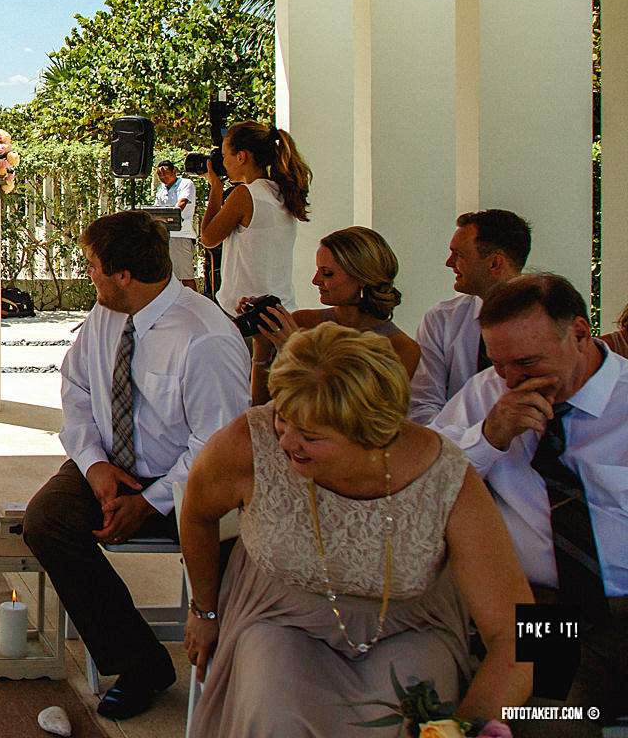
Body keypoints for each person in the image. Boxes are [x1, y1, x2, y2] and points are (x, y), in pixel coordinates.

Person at [183, 324, 531, 735]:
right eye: (283, 418)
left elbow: (523, 635)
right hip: (280, 616)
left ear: (372, 435)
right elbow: (197, 514)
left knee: (412, 722)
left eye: (310, 435)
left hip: (411, 626)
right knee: (276, 716)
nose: (285, 441)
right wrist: (203, 610)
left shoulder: (447, 476)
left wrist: (467, 729)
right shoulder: (248, 441)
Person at [25, 210, 249, 720]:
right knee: (48, 521)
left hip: (191, 483)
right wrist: (93, 464)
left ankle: (233, 665)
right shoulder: (105, 315)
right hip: (112, 463)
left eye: (92, 266)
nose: (87, 274)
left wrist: (150, 502)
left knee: (240, 550)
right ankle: (140, 662)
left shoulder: (206, 335)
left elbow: (220, 446)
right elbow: (77, 387)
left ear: (124, 274)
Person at [430, 274, 627, 723]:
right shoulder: (485, 396)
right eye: (499, 364)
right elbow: (424, 484)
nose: (512, 378)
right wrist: (489, 437)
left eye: (527, 362)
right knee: (547, 722)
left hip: (624, 601)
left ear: (579, 333)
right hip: (545, 608)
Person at [247, 226, 421, 403]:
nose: (315, 280)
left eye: (327, 273)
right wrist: (262, 344)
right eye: (317, 271)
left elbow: (353, 417)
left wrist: (296, 351)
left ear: (362, 278)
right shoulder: (303, 322)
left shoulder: (401, 349)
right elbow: (261, 405)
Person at [408, 209, 531, 424]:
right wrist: (460, 448)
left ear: (494, 263)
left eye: (459, 255)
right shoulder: (441, 320)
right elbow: (422, 406)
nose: (449, 262)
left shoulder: (548, 320)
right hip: (453, 449)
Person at [200, 121, 312, 317]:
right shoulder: (280, 192)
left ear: (241, 157)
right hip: (279, 310)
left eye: (225, 156)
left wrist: (216, 188)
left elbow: (209, 238)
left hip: (249, 314)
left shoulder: (246, 194)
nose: (223, 163)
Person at [153, 159, 198, 290]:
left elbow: (182, 204)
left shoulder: (185, 184)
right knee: (167, 276)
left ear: (174, 171)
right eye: (159, 175)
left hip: (181, 235)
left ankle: (194, 306)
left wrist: (168, 217)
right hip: (165, 237)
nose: (162, 178)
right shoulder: (161, 188)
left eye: (165, 174)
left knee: (185, 276)